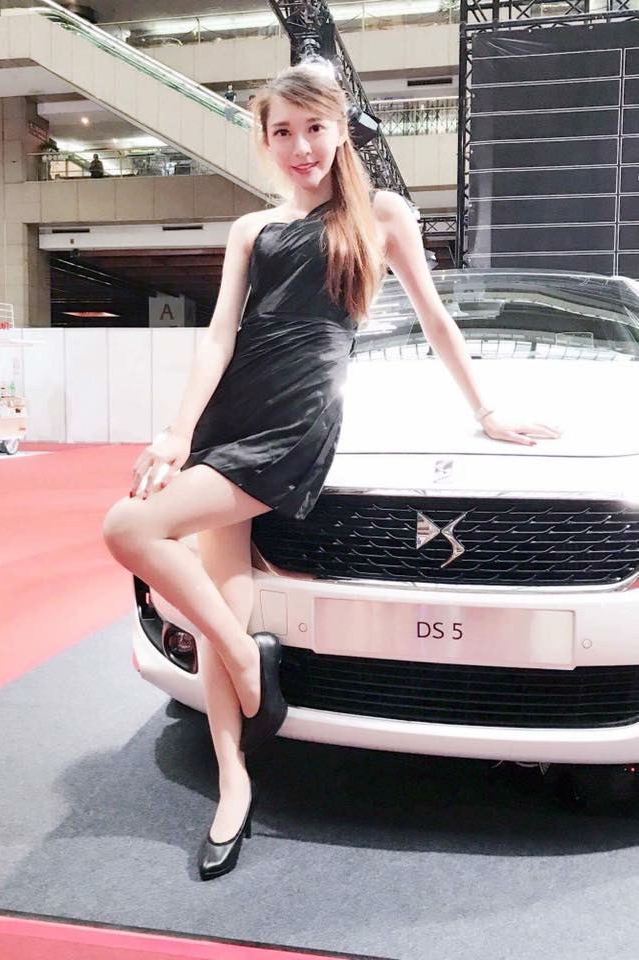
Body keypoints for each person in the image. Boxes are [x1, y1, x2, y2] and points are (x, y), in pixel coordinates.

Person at [102, 58, 562, 882]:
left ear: (341, 129)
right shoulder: (252, 229)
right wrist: (177, 433)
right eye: (282, 131)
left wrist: (487, 410)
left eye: (314, 127)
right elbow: (219, 337)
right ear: (265, 140)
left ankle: (248, 665)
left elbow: (434, 317)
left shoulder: (379, 214)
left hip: (294, 420)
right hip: (229, 415)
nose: (301, 146)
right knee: (221, 603)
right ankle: (234, 781)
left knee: (128, 526)